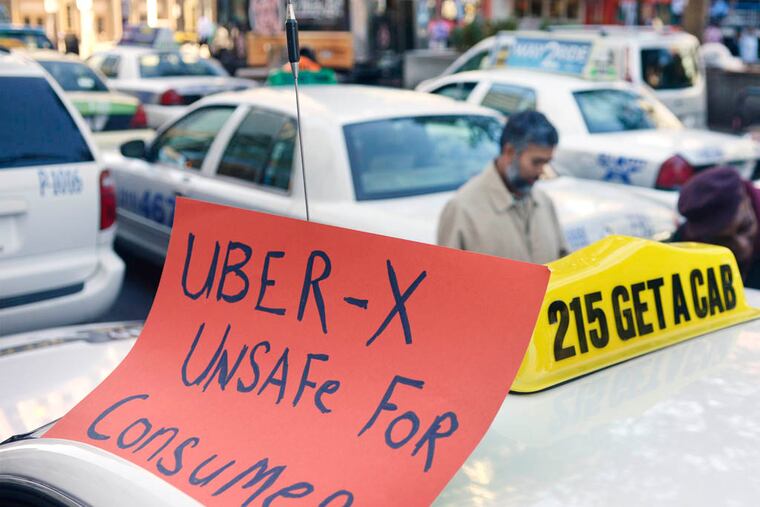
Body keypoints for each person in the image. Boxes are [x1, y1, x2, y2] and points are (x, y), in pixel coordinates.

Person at [437, 111, 568, 264]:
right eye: (536, 162)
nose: (541, 171)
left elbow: (563, 266)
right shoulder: (462, 209)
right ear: (510, 152)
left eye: (546, 162)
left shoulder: (544, 202)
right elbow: (447, 281)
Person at [672, 167, 760, 288]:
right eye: (724, 240)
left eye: (744, 228)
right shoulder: (684, 242)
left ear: (746, 199)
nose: (742, 245)